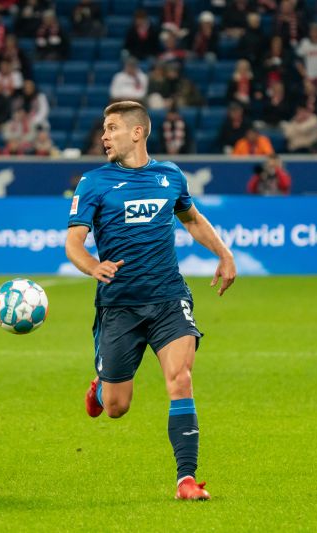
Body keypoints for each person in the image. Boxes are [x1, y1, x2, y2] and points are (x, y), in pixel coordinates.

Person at [65, 101, 237, 502]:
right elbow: (74, 242)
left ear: (137, 133)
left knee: (181, 379)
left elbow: (191, 219)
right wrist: (92, 266)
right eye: (103, 129)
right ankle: (102, 385)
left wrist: (224, 254)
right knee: (116, 407)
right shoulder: (93, 183)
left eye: (111, 129)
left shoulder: (169, 176)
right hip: (119, 306)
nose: (104, 137)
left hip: (167, 299)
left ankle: (187, 480)